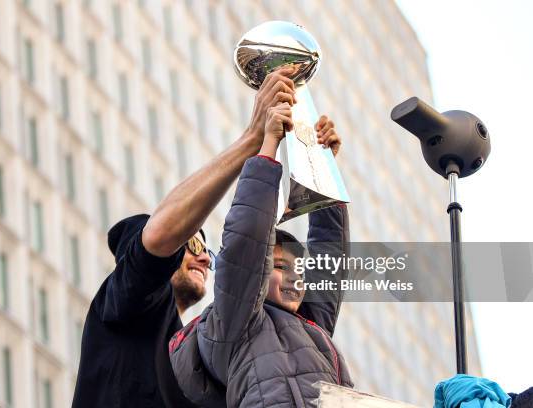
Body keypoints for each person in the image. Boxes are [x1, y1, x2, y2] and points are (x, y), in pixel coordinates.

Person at [72, 67, 340, 408]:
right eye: (193, 244)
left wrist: (321, 171)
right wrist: (254, 140)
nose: (204, 258)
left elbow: (323, 281)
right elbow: (162, 239)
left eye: (207, 250)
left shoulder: (202, 353)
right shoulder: (125, 301)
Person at [169, 102, 353, 407]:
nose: (296, 277)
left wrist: (323, 169)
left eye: (300, 270)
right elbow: (248, 242)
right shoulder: (234, 322)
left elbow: (330, 252)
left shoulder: (312, 325)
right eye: (281, 266)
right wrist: (268, 144)